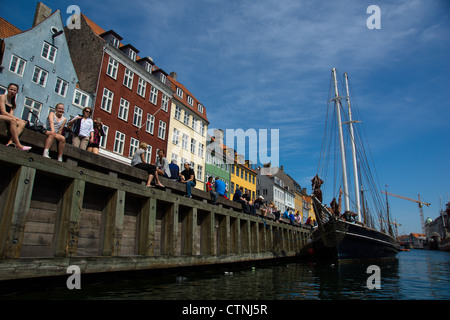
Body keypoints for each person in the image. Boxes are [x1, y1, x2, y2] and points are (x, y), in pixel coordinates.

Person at [0, 83, 31, 151]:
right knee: (13, 120)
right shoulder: (2, 97)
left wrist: (20, 121)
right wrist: (18, 119)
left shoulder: (13, 103)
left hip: (5, 117)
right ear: (8, 89)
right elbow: (3, 112)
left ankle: (10, 143)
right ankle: (18, 144)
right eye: (11, 89)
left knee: (22, 123)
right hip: (0, 115)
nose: (12, 91)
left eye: (14, 90)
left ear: (16, 92)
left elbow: (11, 115)